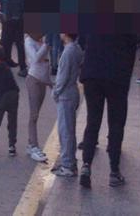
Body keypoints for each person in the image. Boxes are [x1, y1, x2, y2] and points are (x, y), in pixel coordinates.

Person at [79, 0, 137, 189]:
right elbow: (134, 40)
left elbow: (82, 34)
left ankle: (86, 166)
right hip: (115, 74)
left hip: (94, 70)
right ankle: (113, 171)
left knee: (93, 120)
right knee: (115, 123)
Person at [52, 33, 82, 177]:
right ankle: (70, 161)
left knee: (65, 131)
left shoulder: (68, 51)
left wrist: (55, 92)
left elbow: (62, 75)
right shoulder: (76, 48)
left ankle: (67, 164)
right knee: (69, 130)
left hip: (65, 94)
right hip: (72, 91)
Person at [24, 32, 52, 163]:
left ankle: (31, 144)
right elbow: (35, 59)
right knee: (34, 114)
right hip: (33, 79)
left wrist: (50, 83)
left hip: (43, 80)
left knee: (37, 113)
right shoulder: (29, 41)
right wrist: (46, 45)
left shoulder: (41, 41)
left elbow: (46, 63)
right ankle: (33, 146)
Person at [0, 0, 27, 77]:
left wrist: (6, 14)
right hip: (19, 16)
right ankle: (23, 67)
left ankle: (5, 64)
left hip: (8, 16)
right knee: (20, 42)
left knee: (7, 41)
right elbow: (24, 1)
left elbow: (5, 0)